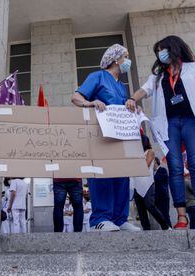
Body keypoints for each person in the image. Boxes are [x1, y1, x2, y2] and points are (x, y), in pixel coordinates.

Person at [126, 35, 195, 230]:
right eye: (158, 51)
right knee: (175, 167)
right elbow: (143, 90)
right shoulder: (158, 75)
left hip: (192, 121)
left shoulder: (194, 68)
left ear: (174, 48)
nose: (161, 54)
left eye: (163, 49)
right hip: (169, 124)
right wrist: (132, 99)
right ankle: (181, 217)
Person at [71, 44, 140, 232]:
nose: (128, 60)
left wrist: (131, 106)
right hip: (100, 136)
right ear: (116, 59)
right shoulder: (97, 76)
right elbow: (76, 97)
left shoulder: (121, 86)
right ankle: (99, 219)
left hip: (119, 136)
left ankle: (120, 218)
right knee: (102, 175)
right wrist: (89, 102)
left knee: (121, 175)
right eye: (126, 56)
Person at [132, 135, 169, 230]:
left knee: (150, 205)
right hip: (137, 183)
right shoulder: (134, 154)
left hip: (148, 183)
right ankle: (146, 228)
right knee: (141, 209)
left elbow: (146, 164)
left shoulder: (150, 152)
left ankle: (165, 225)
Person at [153, 157, 171, 227]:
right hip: (154, 197)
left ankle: (169, 228)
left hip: (162, 197)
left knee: (165, 214)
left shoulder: (162, 170)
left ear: (155, 162)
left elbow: (158, 179)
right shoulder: (152, 172)